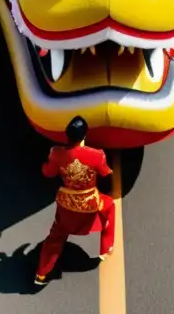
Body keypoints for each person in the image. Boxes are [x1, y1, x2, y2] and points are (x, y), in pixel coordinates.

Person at [35, 116, 115, 286]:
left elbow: (48, 172)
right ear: (84, 135)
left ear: (67, 135)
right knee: (110, 206)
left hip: (66, 205)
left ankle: (41, 275)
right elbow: (107, 175)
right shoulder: (97, 155)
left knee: (55, 237)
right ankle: (105, 248)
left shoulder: (56, 153)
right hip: (89, 204)